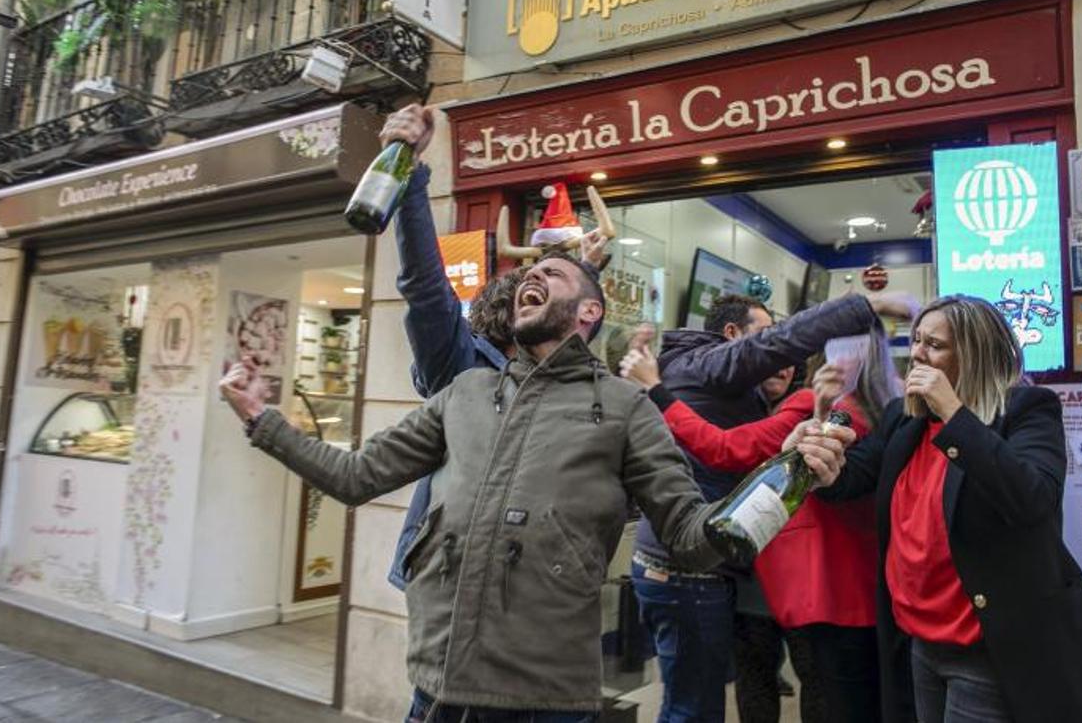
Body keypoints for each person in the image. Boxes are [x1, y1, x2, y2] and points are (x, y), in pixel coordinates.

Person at [221, 253, 848, 721]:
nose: (531, 276)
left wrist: (784, 477)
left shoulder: (627, 406)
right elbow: (355, 477)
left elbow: (690, 535)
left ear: (589, 311)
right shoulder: (463, 394)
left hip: (545, 695)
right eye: (529, 273)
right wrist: (262, 419)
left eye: (551, 272)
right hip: (436, 686)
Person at [786, 294, 1082, 723]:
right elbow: (852, 478)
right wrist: (819, 460)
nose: (917, 353)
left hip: (985, 643)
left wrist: (954, 412)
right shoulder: (904, 417)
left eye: (935, 345)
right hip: (918, 638)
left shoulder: (1026, 410)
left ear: (973, 354)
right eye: (917, 341)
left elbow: (1032, 501)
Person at [629, 290, 919, 723]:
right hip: (804, 575)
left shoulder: (822, 404)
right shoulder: (888, 406)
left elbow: (744, 451)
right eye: (768, 339)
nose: (782, 353)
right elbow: (729, 449)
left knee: (768, 684)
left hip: (794, 574)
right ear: (734, 336)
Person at [383, 104, 608, 590]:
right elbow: (424, 285)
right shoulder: (458, 366)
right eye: (537, 293)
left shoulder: (546, 375)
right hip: (451, 581)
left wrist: (585, 280)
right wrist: (410, 173)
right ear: (516, 318)